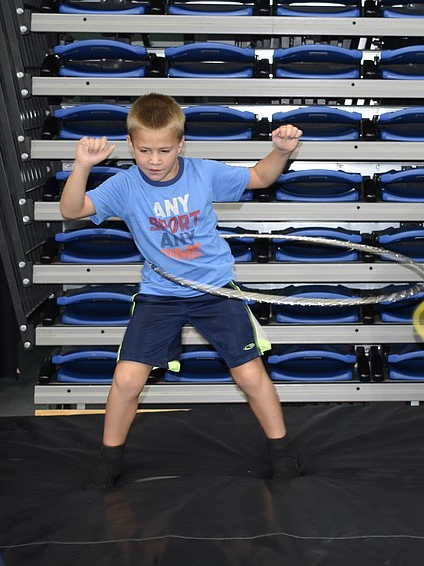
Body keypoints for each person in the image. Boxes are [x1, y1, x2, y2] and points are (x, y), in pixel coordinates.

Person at [60, 93, 303, 488]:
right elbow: (71, 211)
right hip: (160, 294)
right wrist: (82, 166)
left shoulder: (202, 173)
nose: (154, 160)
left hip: (215, 290)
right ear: (130, 145)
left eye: (164, 150)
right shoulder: (124, 185)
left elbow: (259, 177)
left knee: (251, 375)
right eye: (144, 150)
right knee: (126, 380)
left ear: (181, 144)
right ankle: (107, 464)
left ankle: (283, 453)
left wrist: (281, 151)